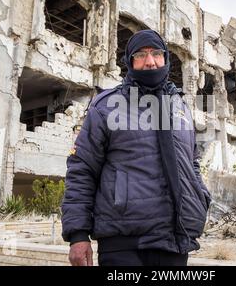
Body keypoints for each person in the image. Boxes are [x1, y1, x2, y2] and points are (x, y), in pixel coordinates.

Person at [61, 29, 211, 266]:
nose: (150, 62)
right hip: (123, 241)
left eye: (156, 54)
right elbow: (82, 170)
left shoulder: (181, 108)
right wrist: (78, 235)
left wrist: (201, 197)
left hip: (173, 239)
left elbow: (192, 163)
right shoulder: (106, 106)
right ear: (130, 62)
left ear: (165, 59)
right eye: (141, 55)